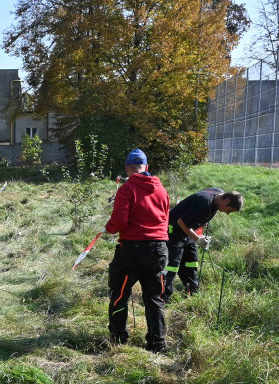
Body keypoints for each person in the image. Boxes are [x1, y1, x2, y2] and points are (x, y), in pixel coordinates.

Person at [104, 149, 170, 353]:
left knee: (120, 294)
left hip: (131, 250)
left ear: (127, 169)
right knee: (154, 298)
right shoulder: (161, 190)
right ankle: (157, 344)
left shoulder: (126, 188)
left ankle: (118, 338)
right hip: (158, 249)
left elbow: (120, 221)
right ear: (147, 167)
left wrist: (110, 228)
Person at [164, 187, 243, 302]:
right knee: (172, 265)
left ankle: (192, 294)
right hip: (174, 230)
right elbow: (181, 222)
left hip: (189, 231)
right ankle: (164, 298)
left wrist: (201, 232)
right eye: (229, 210)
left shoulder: (218, 193)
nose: (227, 213)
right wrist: (197, 239)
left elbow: (200, 215)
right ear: (226, 201)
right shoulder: (204, 202)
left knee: (191, 262)